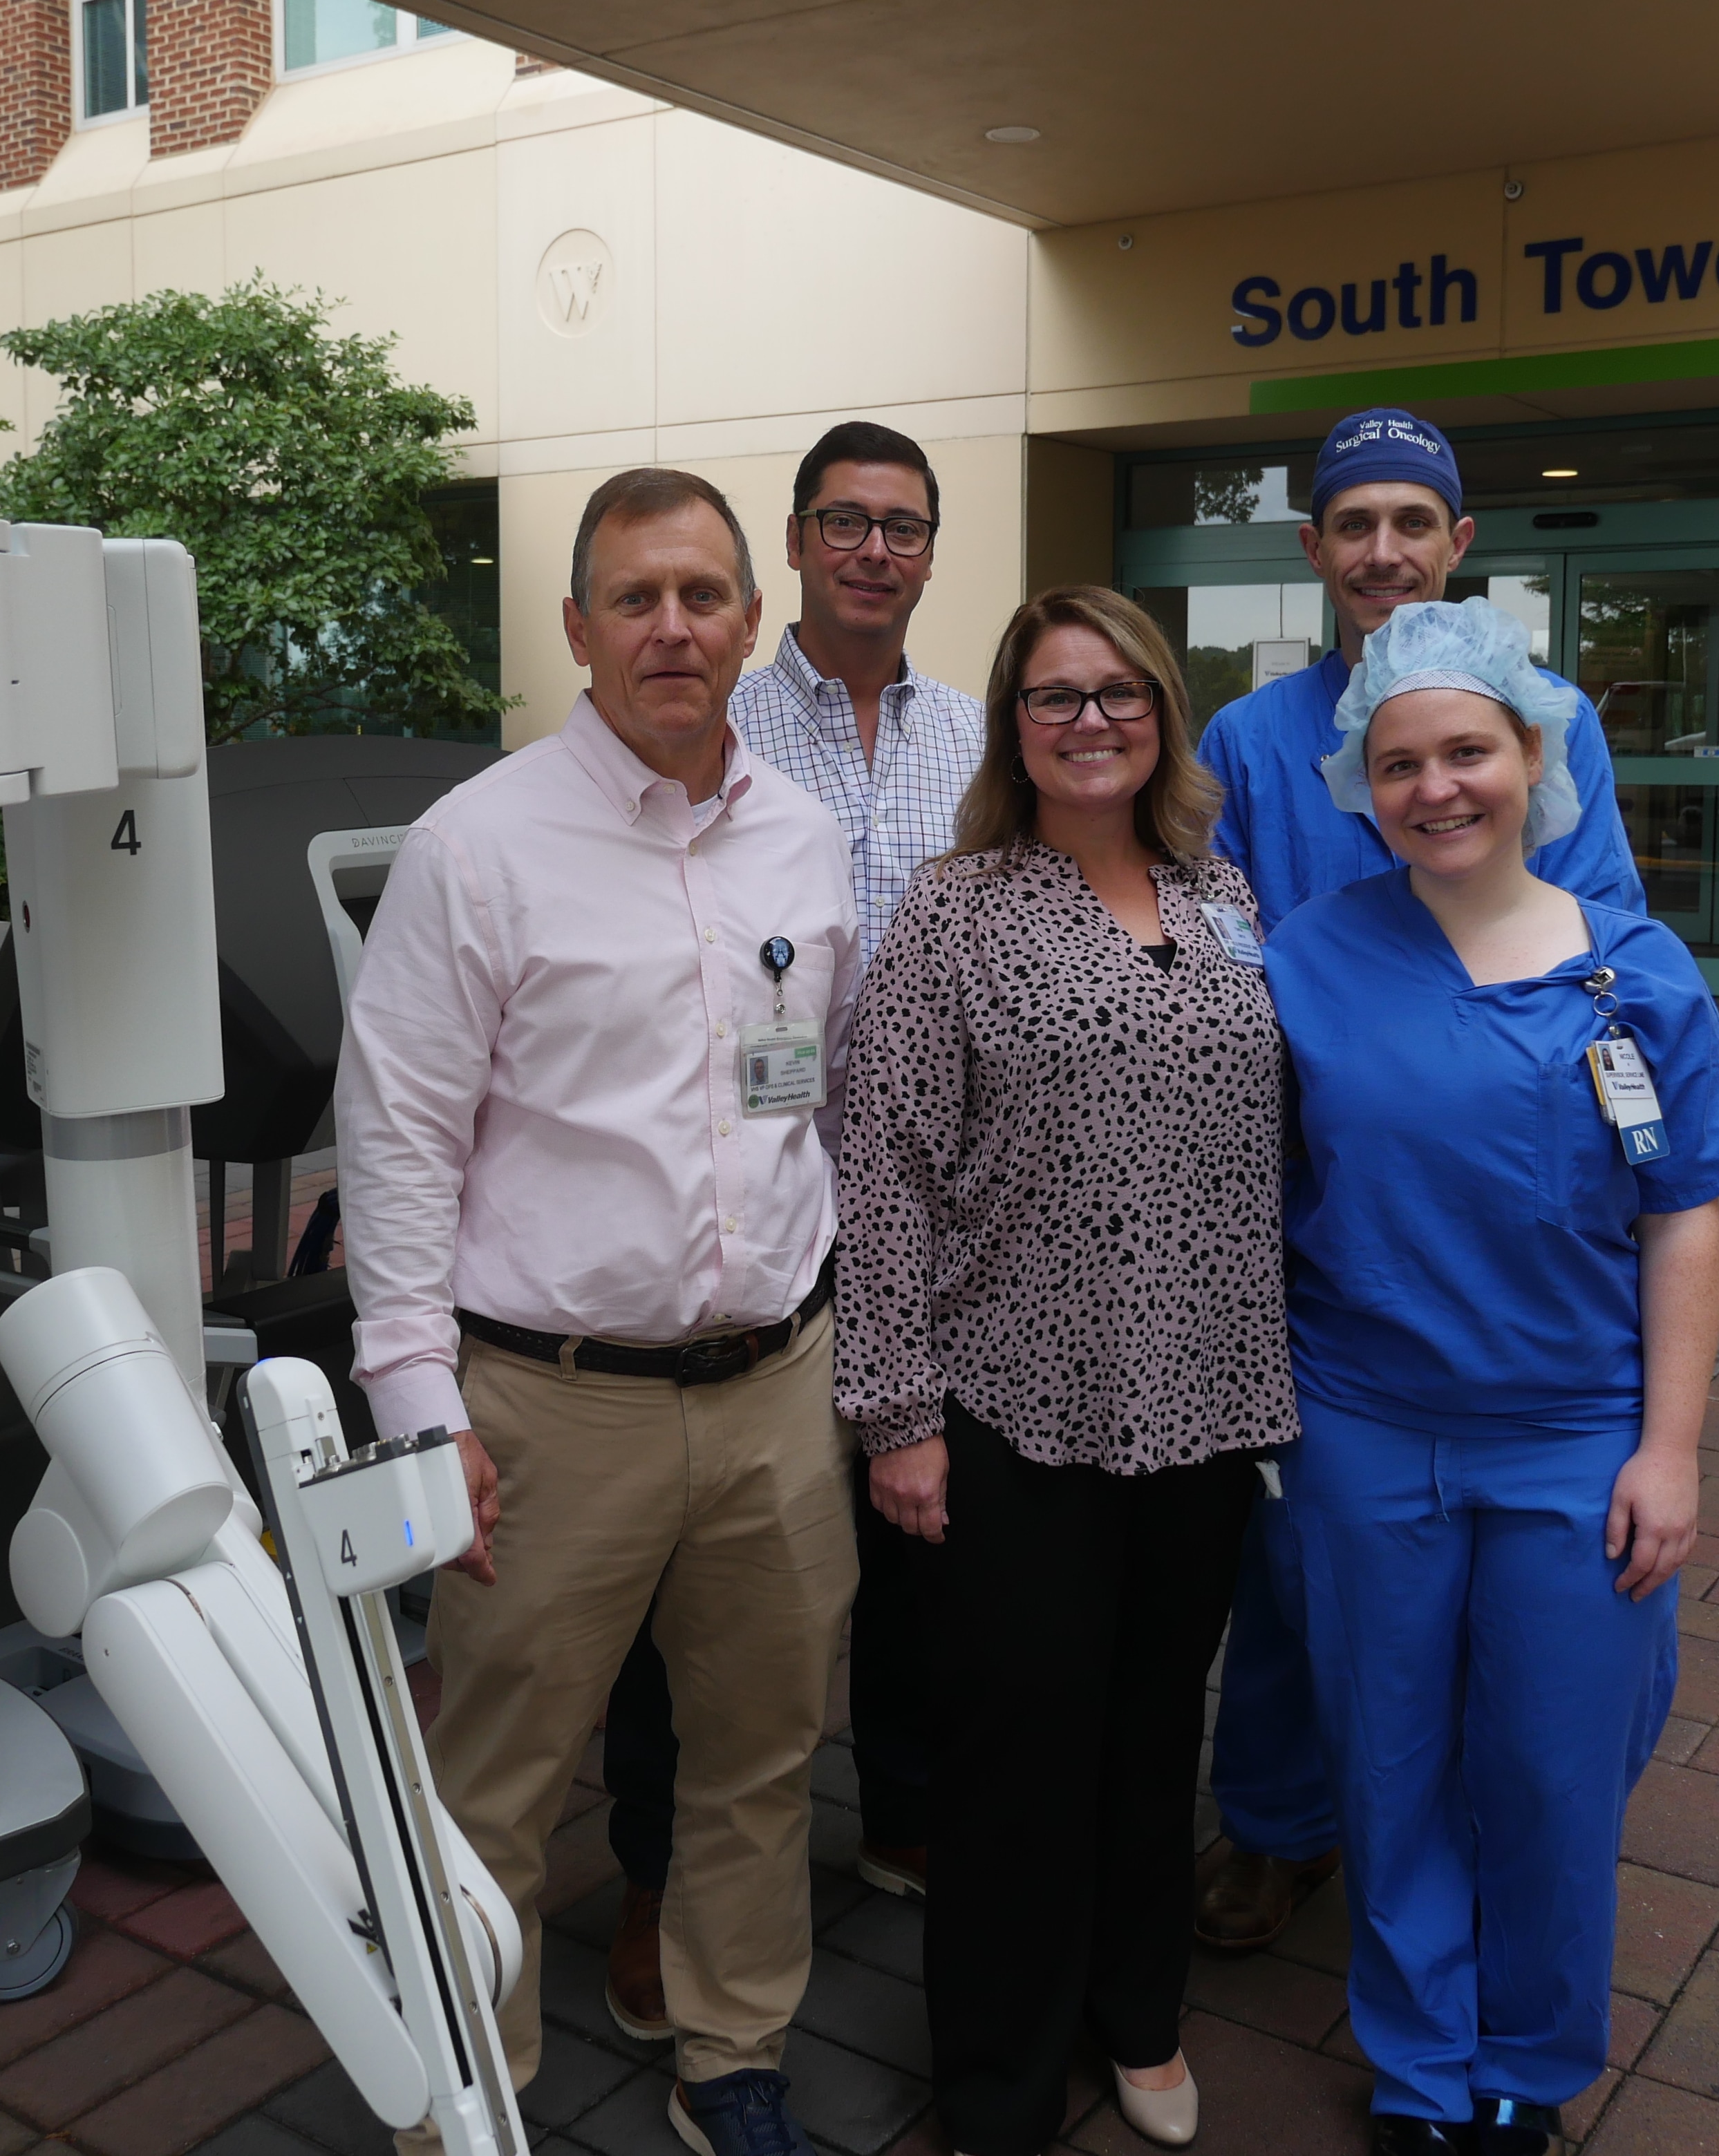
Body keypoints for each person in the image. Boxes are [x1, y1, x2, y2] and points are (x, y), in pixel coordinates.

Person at [334, 466, 863, 2156]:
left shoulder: (804, 832)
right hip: (546, 1405)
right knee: (496, 1779)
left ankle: (734, 2051)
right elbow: (400, 1138)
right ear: (576, 629)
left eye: (703, 596)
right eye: (634, 598)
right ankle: (465, 2100)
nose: (672, 628)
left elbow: (820, 1097)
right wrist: (420, 1409)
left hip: (778, 1385)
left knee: (760, 1758)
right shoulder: (477, 848)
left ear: (751, 622)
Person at [1261, 597, 1719, 2153]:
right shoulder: (1307, 960)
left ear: (1532, 754)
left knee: (1554, 1768)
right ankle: (1422, 2070)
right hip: (1366, 1432)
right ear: (1365, 781)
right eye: (1401, 761)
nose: (1438, 787)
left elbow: (1683, 1217)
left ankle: (1526, 2066)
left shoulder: (1639, 972)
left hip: (1573, 1440)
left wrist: (1669, 1450)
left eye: (1467, 750)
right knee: (1392, 1761)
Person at [836, 586, 1295, 2156]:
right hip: (1016, 1410)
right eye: (1054, 696)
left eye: (1119, 693)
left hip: (1210, 1406)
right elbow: (880, 1161)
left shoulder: (1221, 892)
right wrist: (896, 1414)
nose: (1090, 721)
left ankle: (1138, 2015)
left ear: (1163, 712)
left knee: (1160, 1728)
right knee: (1017, 1757)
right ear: (1011, 725)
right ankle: (1002, 2082)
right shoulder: (958, 909)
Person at [1188, 408, 1645, 1956]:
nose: (1382, 548)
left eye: (1412, 520)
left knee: (1508, 1595)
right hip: (1303, 1226)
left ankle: (1468, 1848)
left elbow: (1610, 974)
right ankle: (1275, 1820)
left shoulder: (1552, 718)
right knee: (1290, 1562)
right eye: (1351, 523)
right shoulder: (1252, 744)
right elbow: (1200, 955)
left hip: (1507, 1241)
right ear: (1314, 551)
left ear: (1461, 541)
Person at [597, 422, 989, 2037]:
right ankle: (651, 1881)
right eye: (846, 523)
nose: (875, 552)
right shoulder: (713, 717)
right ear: (797, 549)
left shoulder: (983, 732)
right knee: (696, 1571)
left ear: (928, 549)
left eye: (903, 527)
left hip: (950, 1210)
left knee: (917, 1536)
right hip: (753, 1207)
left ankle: (898, 1808)